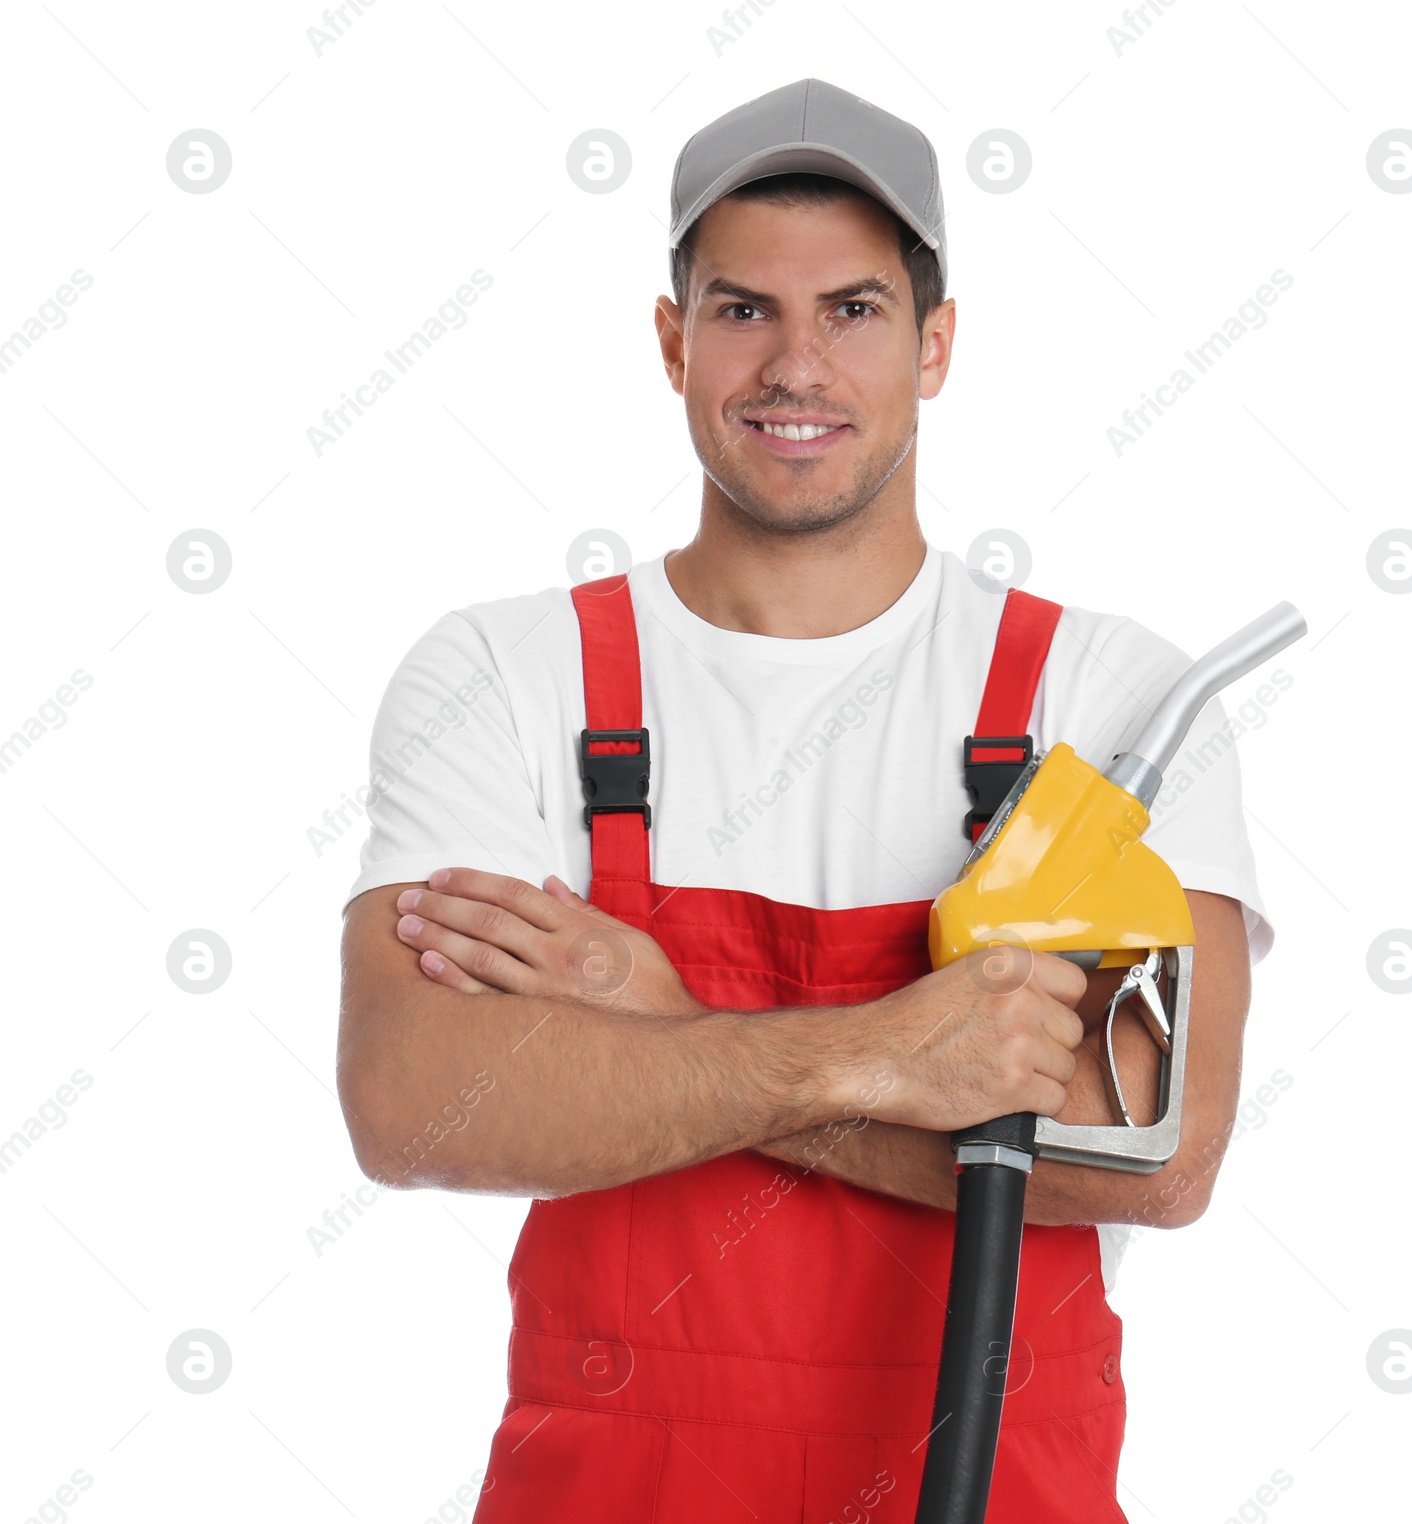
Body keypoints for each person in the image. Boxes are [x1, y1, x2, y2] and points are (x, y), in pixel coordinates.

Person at [336, 76, 1269, 1523]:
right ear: (671, 339)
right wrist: (884, 1061)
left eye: (851, 310)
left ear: (936, 344)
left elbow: (1152, 1160)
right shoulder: (505, 677)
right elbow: (413, 1108)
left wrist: (661, 1035)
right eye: (740, 309)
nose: (795, 365)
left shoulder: (1105, 704)